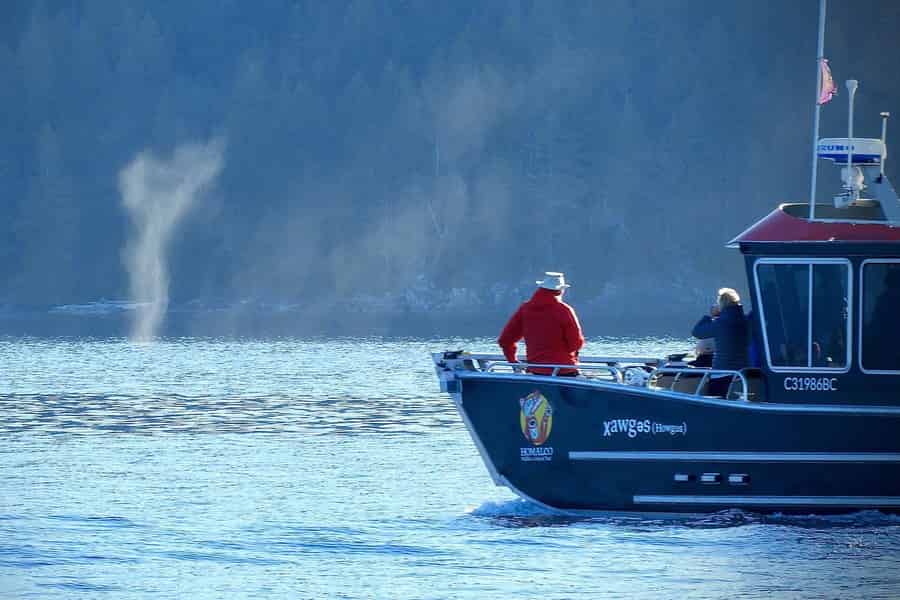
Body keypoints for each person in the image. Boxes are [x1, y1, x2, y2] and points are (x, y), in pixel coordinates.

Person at [498, 272, 585, 376]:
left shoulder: (525, 309)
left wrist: (513, 361)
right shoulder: (564, 310)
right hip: (564, 371)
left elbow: (505, 340)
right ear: (560, 291)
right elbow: (576, 343)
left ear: (541, 288)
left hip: (535, 371)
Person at [692, 287, 749, 396]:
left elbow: (697, 332)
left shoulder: (721, 323)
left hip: (722, 375)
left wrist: (709, 316)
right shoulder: (746, 320)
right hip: (743, 374)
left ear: (721, 304)